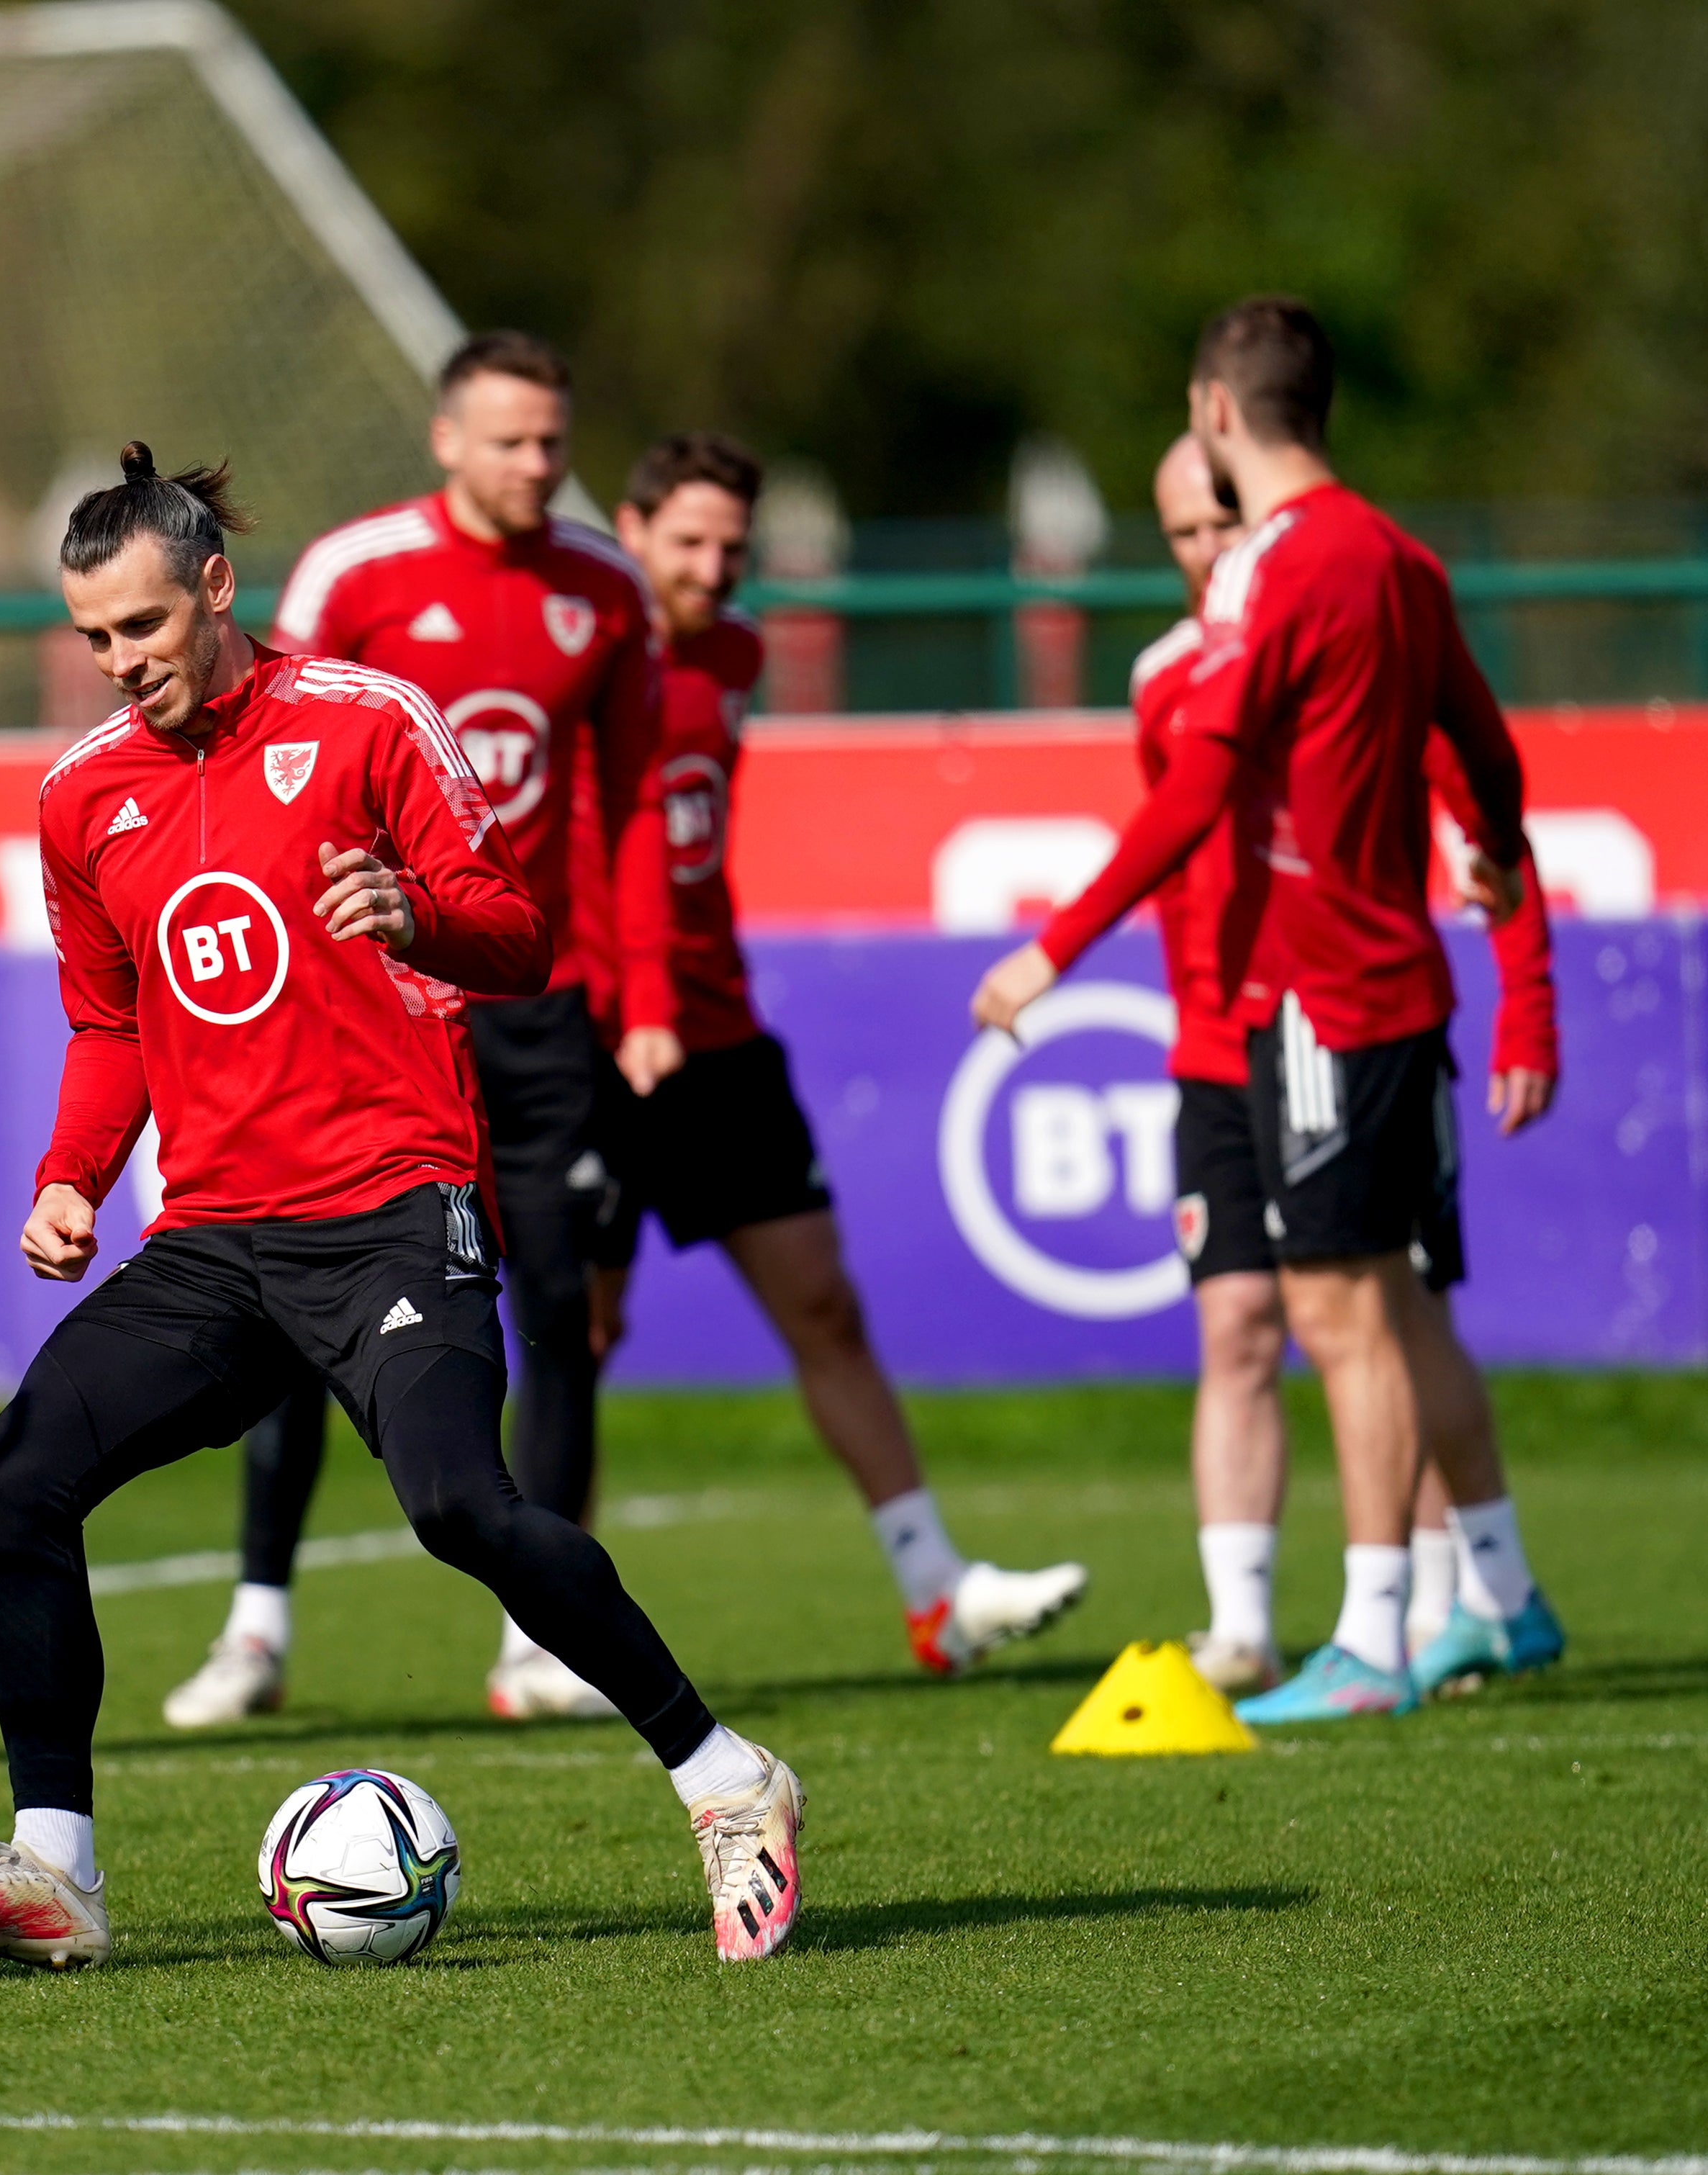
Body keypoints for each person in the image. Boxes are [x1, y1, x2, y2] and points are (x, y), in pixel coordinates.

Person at [0, 445, 805, 1970]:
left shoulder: (367, 721)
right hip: (214, 1237)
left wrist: (413, 907)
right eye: (94, 640)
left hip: (392, 1203)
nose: (120, 667)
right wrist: (67, 1179)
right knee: (18, 1473)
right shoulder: (79, 797)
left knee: (455, 1504)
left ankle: (726, 1780)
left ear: (215, 589)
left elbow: (517, 933)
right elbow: (109, 1025)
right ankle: (56, 1871)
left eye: (143, 631)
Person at [972, 297, 1537, 1724]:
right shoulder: (1400, 555)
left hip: (1315, 1003)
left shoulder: (1274, 569)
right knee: (1390, 1310)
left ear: (1215, 413)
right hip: (1398, 984)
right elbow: (1483, 744)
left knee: (1339, 1318)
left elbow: (1201, 779)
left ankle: (1363, 1644)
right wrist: (1501, 855)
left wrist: (1055, 945)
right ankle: (1480, 1609)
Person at [163, 330, 664, 1729]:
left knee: (558, 1312)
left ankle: (539, 1640)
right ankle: (255, 1625)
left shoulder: (604, 590)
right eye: (508, 440)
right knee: (296, 1304)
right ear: (445, 439)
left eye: (552, 441)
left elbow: (630, 808)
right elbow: (268, 760)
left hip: (536, 1005)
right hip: (372, 1008)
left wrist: (645, 1002)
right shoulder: (357, 574)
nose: (535, 465)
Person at [589, 431, 1090, 1675]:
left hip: (716, 1031)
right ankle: (539, 1636)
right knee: (572, 1335)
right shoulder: (578, 653)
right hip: (586, 1038)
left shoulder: (739, 652)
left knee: (823, 1299)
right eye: (687, 541)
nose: (711, 568)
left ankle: (935, 1588)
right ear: (629, 527)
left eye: (730, 546)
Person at [1133, 433, 1565, 1697]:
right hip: (1227, 1043)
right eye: (1183, 532)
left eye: (1225, 518)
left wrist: (1526, 1005)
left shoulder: (1340, 623)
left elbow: (1488, 811)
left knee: (1387, 1303)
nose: (1212, 548)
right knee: (1247, 1322)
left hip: (1347, 1020)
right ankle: (1250, 1622)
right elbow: (1180, 863)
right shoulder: (1163, 678)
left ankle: (1436, 1601)